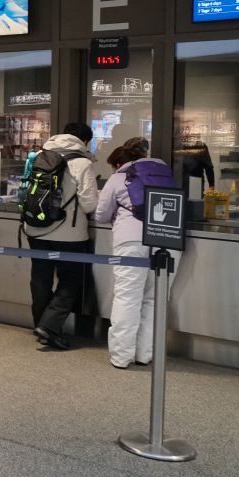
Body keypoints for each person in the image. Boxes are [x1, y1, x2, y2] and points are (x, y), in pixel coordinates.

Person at [95, 141, 177, 368]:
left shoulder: (119, 177)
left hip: (132, 240)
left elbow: (101, 215)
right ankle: (145, 354)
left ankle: (121, 356)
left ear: (119, 163)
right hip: (167, 238)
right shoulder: (164, 172)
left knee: (127, 297)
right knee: (155, 297)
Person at [23, 122, 98, 350]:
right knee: (70, 279)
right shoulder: (82, 163)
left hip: (35, 228)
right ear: (85, 141)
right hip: (69, 235)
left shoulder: (39, 156)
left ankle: (41, 326)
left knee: (40, 279)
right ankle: (49, 327)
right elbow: (89, 204)